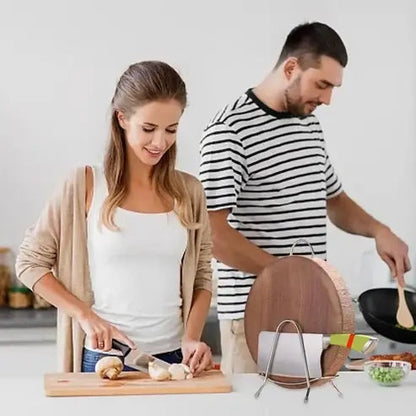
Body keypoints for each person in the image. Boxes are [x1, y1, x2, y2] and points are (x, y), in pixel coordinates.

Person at [199, 22, 411, 374]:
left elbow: (334, 199)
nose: (327, 99)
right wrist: (290, 276)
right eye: (322, 84)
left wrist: (379, 230)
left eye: (333, 87)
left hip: (311, 314)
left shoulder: (307, 124)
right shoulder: (229, 131)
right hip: (257, 320)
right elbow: (212, 234)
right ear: (291, 68)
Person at [16, 61, 213, 375]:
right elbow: (29, 263)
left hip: (175, 359)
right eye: (149, 128)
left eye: (171, 129)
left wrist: (191, 338)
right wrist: (85, 316)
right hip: (107, 359)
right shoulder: (84, 184)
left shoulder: (189, 191)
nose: (160, 142)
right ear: (122, 118)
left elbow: (202, 276)